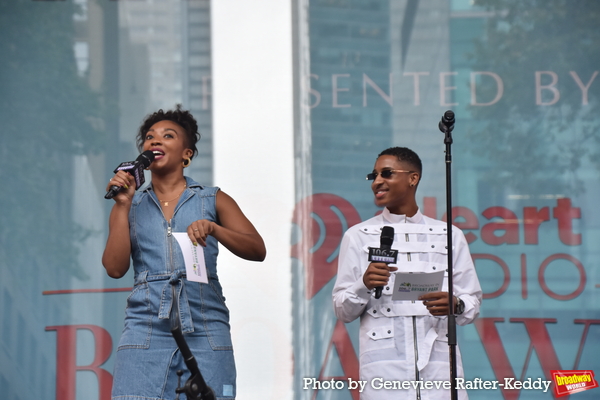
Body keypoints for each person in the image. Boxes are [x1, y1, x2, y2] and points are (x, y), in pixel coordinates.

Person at [102, 105, 266, 400]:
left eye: (168, 136)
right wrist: (123, 205)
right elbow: (114, 269)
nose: (155, 141)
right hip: (145, 326)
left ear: (186, 154)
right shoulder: (129, 205)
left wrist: (215, 229)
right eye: (149, 138)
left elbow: (257, 249)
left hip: (205, 324)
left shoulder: (212, 198)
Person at [332, 147, 481, 400]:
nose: (377, 181)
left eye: (387, 173)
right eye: (374, 175)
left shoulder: (449, 235)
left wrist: (455, 303)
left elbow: (472, 303)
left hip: (441, 371)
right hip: (383, 375)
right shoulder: (358, 236)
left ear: (413, 178)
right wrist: (363, 284)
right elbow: (342, 310)